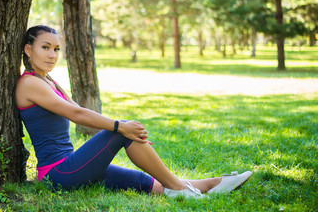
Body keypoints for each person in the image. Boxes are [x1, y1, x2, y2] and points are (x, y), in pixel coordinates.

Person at [15, 25, 252, 199]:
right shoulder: (29, 84)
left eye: (56, 49)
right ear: (28, 49)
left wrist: (119, 128)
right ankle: (180, 188)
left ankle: (213, 183)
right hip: (57, 175)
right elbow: (75, 115)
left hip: (74, 166)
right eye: (45, 48)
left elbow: (81, 110)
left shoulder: (50, 82)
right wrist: (119, 127)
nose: (52, 55)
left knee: (146, 183)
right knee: (123, 131)